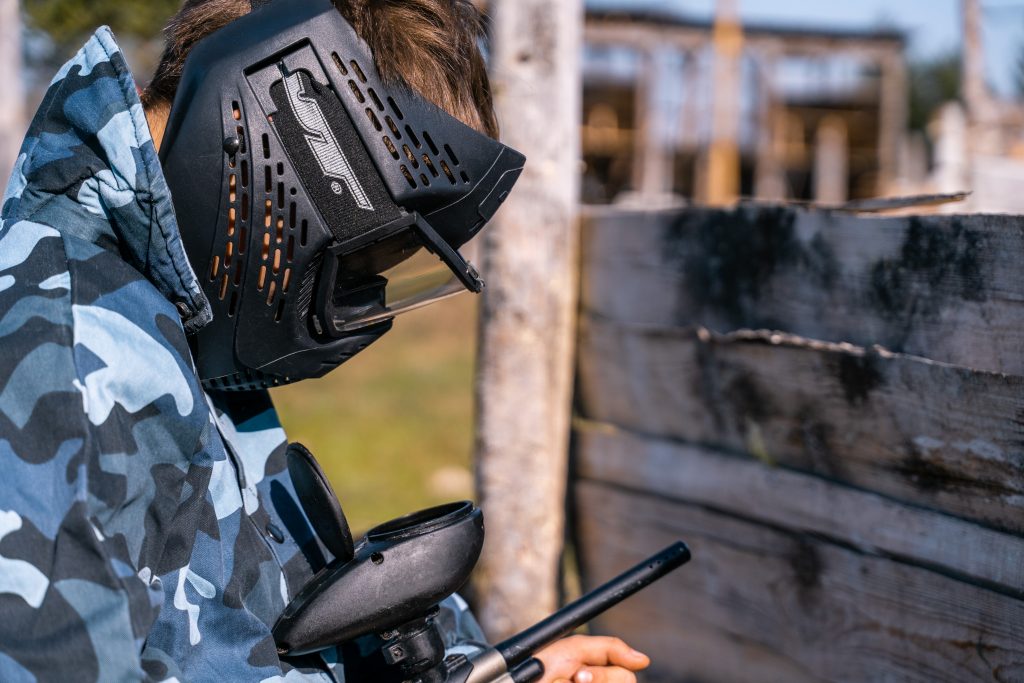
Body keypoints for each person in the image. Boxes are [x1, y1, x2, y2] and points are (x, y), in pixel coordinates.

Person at [0, 0, 651, 681]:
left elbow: (241, 637)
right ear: (296, 135)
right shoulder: (58, 353)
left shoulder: (170, 307)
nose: (351, 300)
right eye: (360, 261)